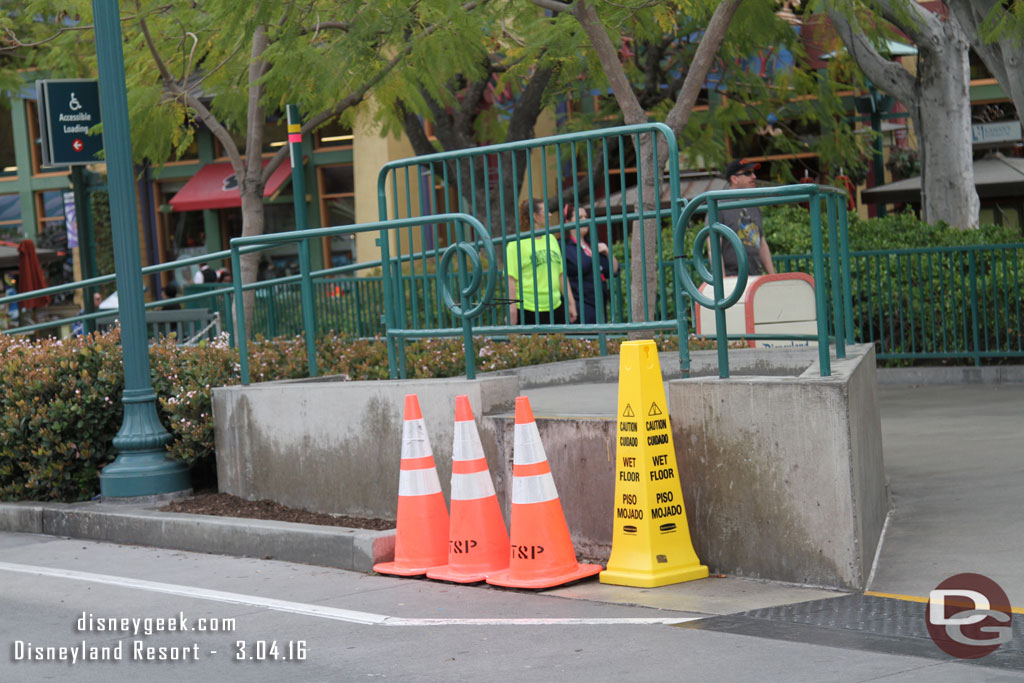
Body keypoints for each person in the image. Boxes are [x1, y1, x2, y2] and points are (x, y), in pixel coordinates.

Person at [506, 198, 577, 326]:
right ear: (535, 216)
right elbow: (511, 279)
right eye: (546, 211)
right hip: (529, 308)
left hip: (555, 306)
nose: (550, 214)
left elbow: (561, 274)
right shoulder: (515, 244)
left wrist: (571, 303)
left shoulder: (551, 239)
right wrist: (512, 310)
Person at [561, 204, 619, 324]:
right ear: (567, 222)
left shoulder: (592, 243)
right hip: (581, 303)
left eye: (585, 217)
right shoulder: (564, 246)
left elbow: (613, 271)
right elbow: (581, 265)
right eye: (579, 217)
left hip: (599, 302)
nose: (584, 220)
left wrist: (608, 253)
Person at [718, 159, 776, 277]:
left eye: (754, 173)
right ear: (734, 179)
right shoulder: (720, 205)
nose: (754, 176)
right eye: (747, 173)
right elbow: (713, 248)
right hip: (732, 278)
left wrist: (773, 277)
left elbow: (762, 243)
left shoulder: (753, 205)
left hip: (755, 275)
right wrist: (722, 281)